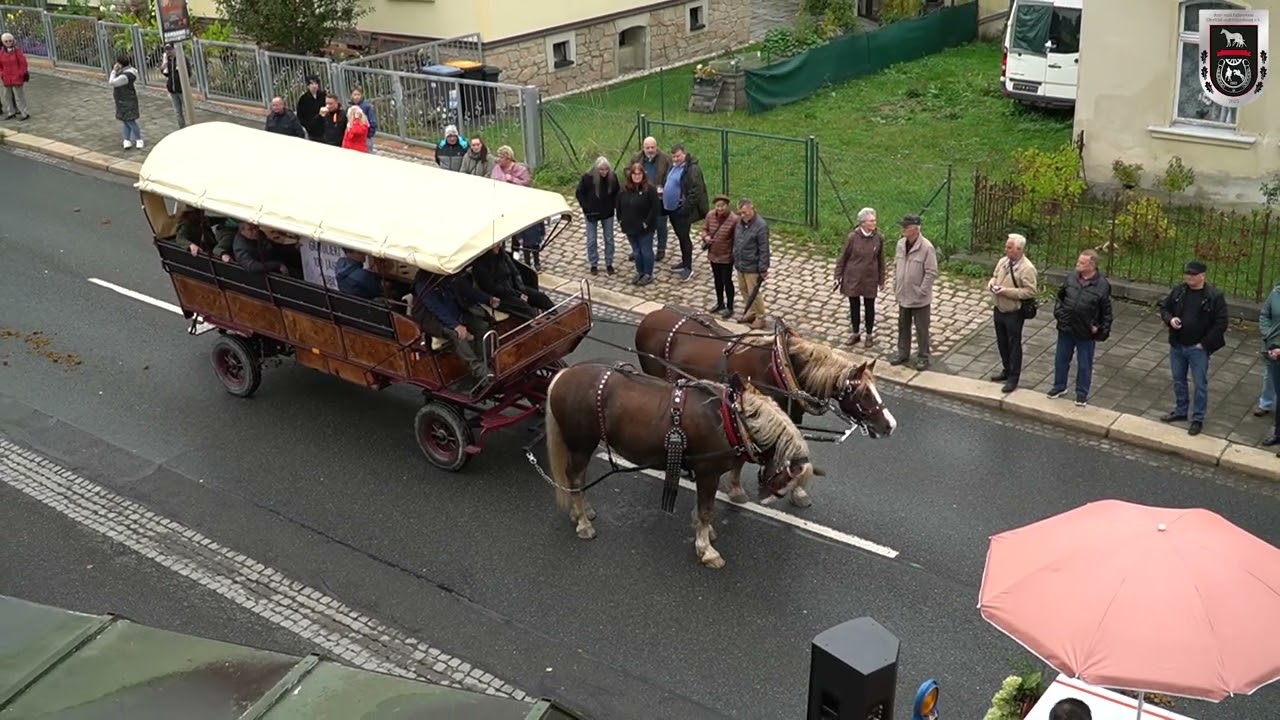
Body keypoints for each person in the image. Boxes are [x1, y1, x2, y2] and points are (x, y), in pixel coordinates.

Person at [1158, 260, 1228, 436]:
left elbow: (1221, 323)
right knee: (1178, 379)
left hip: (1198, 349)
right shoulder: (1180, 291)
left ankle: (1198, 418)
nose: (1188, 277)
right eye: (1187, 274)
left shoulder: (1214, 297)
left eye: (1192, 275)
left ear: (1202, 276)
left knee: (1200, 384)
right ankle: (1181, 410)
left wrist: (1203, 344)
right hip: (1178, 344)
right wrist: (1170, 320)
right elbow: (1165, 308)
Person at [411, 270, 498, 388]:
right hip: (435, 321)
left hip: (457, 315)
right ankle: (479, 370)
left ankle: (484, 360)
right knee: (458, 336)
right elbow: (436, 308)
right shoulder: (422, 283)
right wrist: (455, 325)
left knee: (482, 326)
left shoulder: (447, 276)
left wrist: (488, 299)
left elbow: (466, 290)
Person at [1048, 249, 1112, 407]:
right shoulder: (1071, 277)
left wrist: (1100, 329)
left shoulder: (1102, 285)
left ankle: (1082, 394)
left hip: (1085, 331)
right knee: (1061, 359)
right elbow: (1060, 297)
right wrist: (1059, 313)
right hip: (1066, 326)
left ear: (1092, 265)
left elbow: (1106, 311)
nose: (1078, 264)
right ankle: (1059, 386)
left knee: (1084, 364)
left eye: (1082, 263)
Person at [987, 233, 1038, 393]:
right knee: (1002, 342)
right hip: (999, 308)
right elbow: (995, 276)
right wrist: (992, 284)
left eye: (1009, 247)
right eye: (1006, 246)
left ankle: (1013, 377)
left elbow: (1030, 291)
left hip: (1014, 312)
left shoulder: (1027, 268)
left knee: (1013, 345)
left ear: (1019, 249)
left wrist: (1006, 291)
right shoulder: (1003, 261)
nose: (1006, 249)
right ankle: (1006, 369)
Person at [889, 214, 938, 370]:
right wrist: (895, 284)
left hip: (919, 297)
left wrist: (922, 290)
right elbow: (896, 265)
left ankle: (923, 356)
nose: (902, 229)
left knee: (921, 328)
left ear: (914, 229)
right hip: (903, 293)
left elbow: (931, 272)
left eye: (905, 227)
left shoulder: (927, 247)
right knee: (903, 325)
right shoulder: (900, 244)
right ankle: (903, 353)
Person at [834, 207, 886, 347]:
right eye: (871, 221)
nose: (874, 223)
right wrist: (838, 275)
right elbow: (843, 257)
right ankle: (855, 333)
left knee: (870, 307)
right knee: (854, 306)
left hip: (870, 279)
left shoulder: (878, 238)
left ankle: (869, 334)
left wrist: (881, 279)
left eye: (874, 220)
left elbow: (881, 260)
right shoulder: (853, 238)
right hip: (854, 278)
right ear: (862, 223)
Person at [661, 143, 709, 282]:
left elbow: (696, 191)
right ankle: (683, 261)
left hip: (681, 210)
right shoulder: (673, 166)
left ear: (684, 154)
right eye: (674, 156)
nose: (676, 159)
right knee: (680, 236)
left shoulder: (691, 169)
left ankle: (688, 267)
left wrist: (685, 208)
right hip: (671, 209)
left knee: (684, 238)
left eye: (678, 156)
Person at [472, 245, 553, 318]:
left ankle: (554, 313)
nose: (498, 246)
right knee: (524, 307)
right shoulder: (480, 266)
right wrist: (517, 294)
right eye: (495, 245)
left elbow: (515, 273)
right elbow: (492, 288)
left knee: (541, 297)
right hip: (500, 296)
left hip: (513, 288)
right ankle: (538, 319)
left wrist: (522, 291)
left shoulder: (503, 255)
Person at [616, 161, 660, 286]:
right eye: (634, 174)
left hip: (645, 227)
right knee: (636, 251)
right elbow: (618, 205)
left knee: (646, 250)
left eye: (639, 174)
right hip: (629, 226)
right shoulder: (624, 189)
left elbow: (655, 208)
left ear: (643, 175)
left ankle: (648, 274)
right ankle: (640, 271)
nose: (636, 176)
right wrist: (620, 219)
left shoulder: (650, 189)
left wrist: (647, 222)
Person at [575, 156, 620, 276]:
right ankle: (593, 263)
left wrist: (613, 206)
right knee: (591, 239)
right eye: (601, 170)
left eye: (606, 170)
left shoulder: (612, 178)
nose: (604, 172)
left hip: (607, 213)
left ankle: (609, 262)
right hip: (591, 212)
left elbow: (617, 193)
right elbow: (579, 193)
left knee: (609, 238)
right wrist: (586, 207)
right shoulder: (587, 178)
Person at [630, 137, 672, 262]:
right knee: (640, 223)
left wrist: (663, 187)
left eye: (652, 147)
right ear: (643, 148)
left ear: (656, 147)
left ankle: (661, 249)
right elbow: (628, 170)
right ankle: (637, 249)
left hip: (659, 198)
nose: (650, 150)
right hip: (642, 197)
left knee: (660, 224)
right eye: (647, 148)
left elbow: (670, 175)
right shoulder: (637, 158)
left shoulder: (665, 159)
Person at [733, 199, 770, 329]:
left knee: (754, 292)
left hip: (752, 266)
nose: (742, 215)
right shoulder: (739, 223)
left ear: (751, 209)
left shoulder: (761, 226)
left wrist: (763, 268)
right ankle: (751, 312)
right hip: (740, 263)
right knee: (743, 289)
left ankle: (761, 317)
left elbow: (764, 249)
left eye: (744, 212)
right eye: (740, 213)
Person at [701, 193, 738, 318]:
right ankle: (720, 303)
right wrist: (706, 237)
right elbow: (704, 229)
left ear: (727, 206)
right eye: (718, 206)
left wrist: (733, 254)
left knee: (727, 281)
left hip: (726, 256)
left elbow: (736, 239)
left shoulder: (734, 220)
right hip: (713, 254)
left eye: (722, 206)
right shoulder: (710, 216)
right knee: (717, 280)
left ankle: (730, 306)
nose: (720, 208)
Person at [1258, 280, 1280, 451]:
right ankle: (1277, 434)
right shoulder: (1276, 293)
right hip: (1273, 348)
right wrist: (1267, 334)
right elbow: (1265, 315)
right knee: (1271, 379)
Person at [109, 54, 143, 150]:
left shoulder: (125, 76)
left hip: (126, 100)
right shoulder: (130, 71)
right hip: (122, 99)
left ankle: (139, 139)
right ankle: (126, 140)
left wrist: (113, 71)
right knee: (125, 120)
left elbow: (112, 82)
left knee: (130, 120)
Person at [159, 44, 191, 128]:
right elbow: (166, 74)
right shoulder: (168, 60)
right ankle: (182, 128)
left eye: (170, 50)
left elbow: (188, 73)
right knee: (177, 112)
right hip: (173, 90)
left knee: (188, 111)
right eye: (167, 50)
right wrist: (163, 67)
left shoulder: (182, 59)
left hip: (182, 89)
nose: (168, 52)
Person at [0, 32, 30, 121]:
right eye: (6, 41)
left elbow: (23, 64)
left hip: (17, 77)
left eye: (10, 41)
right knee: (7, 96)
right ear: (2, 42)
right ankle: (11, 112)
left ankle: (24, 113)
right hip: (6, 78)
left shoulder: (17, 51)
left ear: (13, 41)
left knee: (19, 96)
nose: (8, 43)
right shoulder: (1, 53)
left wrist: (20, 73)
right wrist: (2, 73)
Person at [296, 76, 326, 142]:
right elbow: (300, 115)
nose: (314, 86)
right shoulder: (303, 99)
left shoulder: (324, 96)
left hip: (325, 128)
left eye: (316, 83)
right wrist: (308, 126)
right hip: (312, 130)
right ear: (308, 86)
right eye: (311, 84)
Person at [348, 87, 377, 152]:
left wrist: (369, 134)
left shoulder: (366, 107)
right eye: (354, 95)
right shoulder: (349, 107)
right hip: (354, 137)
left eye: (358, 94)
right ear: (351, 96)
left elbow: (372, 121)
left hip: (365, 137)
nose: (356, 97)